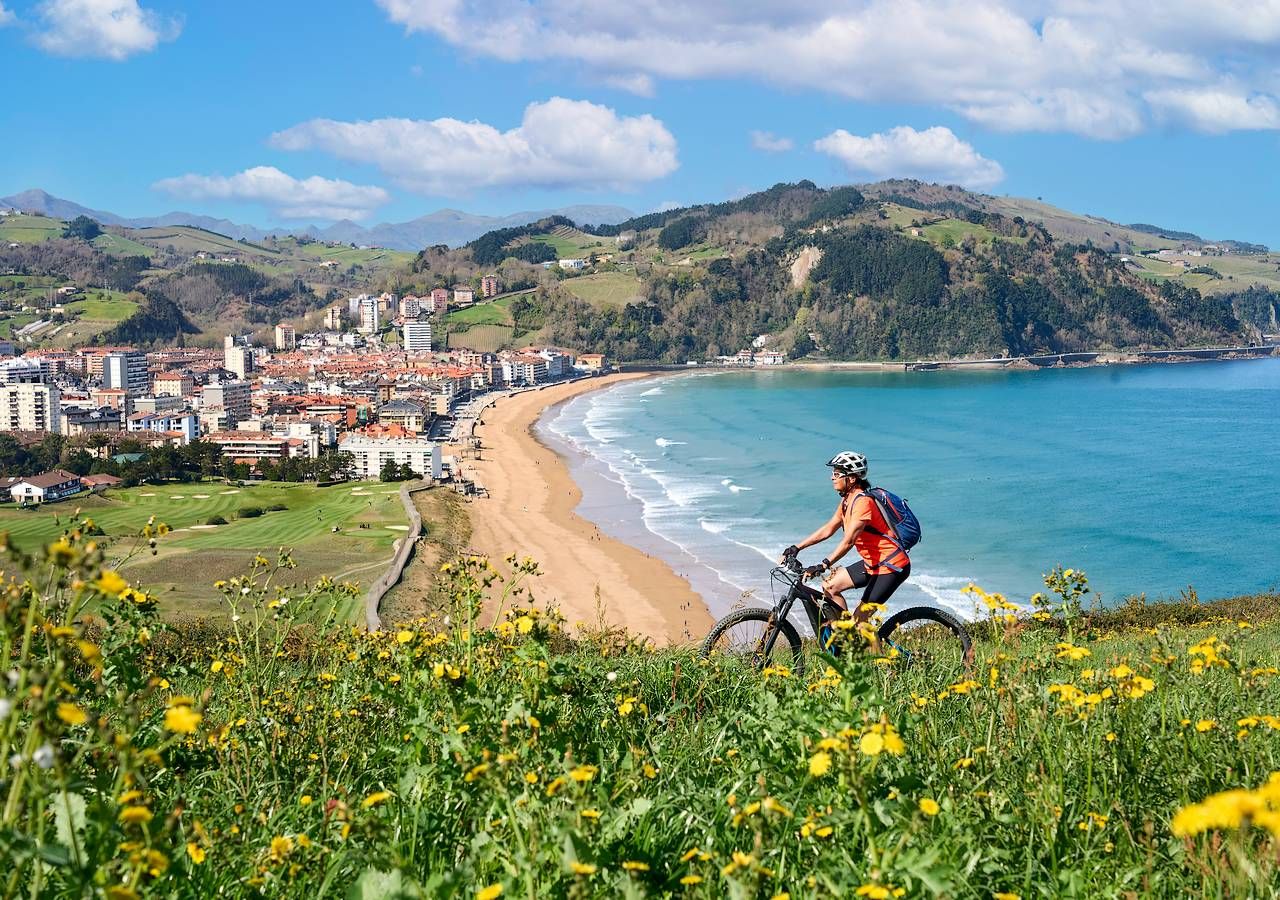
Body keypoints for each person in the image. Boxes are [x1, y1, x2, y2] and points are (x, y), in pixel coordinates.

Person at [780, 451, 910, 647]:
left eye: (837, 473)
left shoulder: (863, 503)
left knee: (860, 622)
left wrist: (824, 564)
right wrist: (797, 547)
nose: (833, 477)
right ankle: (846, 642)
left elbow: (848, 541)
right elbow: (829, 528)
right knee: (830, 586)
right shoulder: (847, 501)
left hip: (891, 566)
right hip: (872, 562)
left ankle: (885, 670)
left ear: (852, 478)